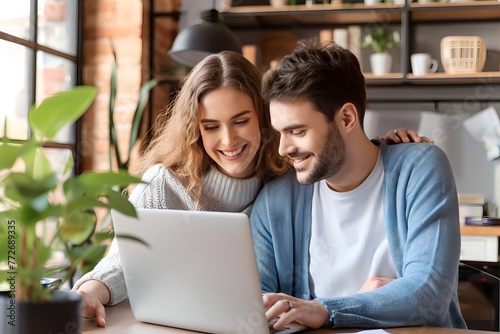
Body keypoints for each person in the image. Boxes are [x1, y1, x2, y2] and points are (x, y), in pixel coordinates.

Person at [73, 50, 428, 327]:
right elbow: (126, 259)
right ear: (195, 130)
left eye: (241, 121)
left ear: (264, 116)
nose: (228, 140)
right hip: (165, 325)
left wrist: (382, 149)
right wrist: (91, 289)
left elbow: (336, 153)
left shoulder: (283, 180)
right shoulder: (164, 183)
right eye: (211, 126)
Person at [250, 38, 467, 331]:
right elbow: (254, 304)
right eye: (280, 133)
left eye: (297, 131)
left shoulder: (420, 169)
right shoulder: (276, 201)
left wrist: (324, 310)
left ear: (347, 118)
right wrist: (379, 300)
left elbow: (428, 294)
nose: (283, 148)